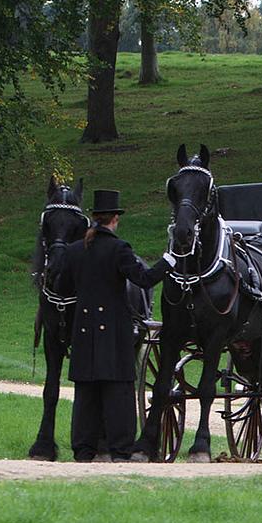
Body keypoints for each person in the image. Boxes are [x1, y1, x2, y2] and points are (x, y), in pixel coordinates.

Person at [53, 189, 175, 462]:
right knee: (118, 391)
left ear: (94, 218)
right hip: (114, 331)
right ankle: (120, 448)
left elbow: (64, 286)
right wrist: (167, 262)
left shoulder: (75, 251)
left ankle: (84, 449)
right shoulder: (120, 249)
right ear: (115, 220)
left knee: (86, 394)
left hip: (84, 331)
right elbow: (143, 279)